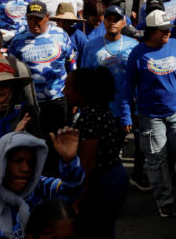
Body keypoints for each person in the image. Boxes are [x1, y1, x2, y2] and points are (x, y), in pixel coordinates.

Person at [123, 8, 176, 219]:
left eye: (169, 28)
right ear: (151, 31)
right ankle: (165, 201)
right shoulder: (137, 54)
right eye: (163, 30)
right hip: (151, 116)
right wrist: (126, 115)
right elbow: (128, 86)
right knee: (157, 159)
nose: (168, 32)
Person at [0, 130, 85, 239]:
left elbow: (71, 190)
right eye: (18, 161)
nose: (25, 169)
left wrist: (69, 161)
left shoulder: (39, 187)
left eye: (30, 163)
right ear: (1, 164)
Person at [62, 67, 127, 239]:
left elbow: (87, 164)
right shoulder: (101, 111)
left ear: (81, 91)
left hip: (102, 184)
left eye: (67, 88)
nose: (63, 92)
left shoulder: (90, 116)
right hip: (114, 179)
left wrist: (77, 201)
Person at [9, 2, 76, 161]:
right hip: (31, 104)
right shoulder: (17, 41)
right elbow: (13, 75)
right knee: (35, 146)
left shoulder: (60, 35)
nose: (34, 22)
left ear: (47, 17)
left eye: (38, 18)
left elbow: (72, 66)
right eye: (30, 18)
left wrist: (74, 99)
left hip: (58, 101)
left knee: (57, 145)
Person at [79, 4, 137, 130]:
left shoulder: (133, 45)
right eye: (109, 19)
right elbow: (85, 79)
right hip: (99, 109)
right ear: (104, 22)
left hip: (125, 108)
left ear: (123, 22)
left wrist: (136, 111)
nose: (112, 23)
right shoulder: (91, 46)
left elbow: (138, 79)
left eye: (116, 20)